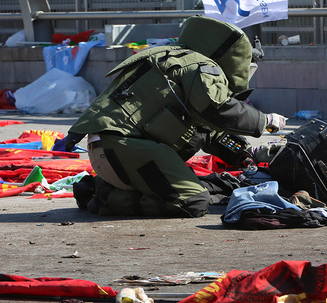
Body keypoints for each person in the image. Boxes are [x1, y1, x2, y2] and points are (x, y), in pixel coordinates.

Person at [55, 16, 287, 218]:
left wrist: (245, 154)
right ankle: (104, 197)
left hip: (109, 150)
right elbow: (216, 110)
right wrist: (264, 121)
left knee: (204, 175)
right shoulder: (201, 65)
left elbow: (204, 130)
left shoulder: (173, 58)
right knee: (193, 201)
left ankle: (97, 187)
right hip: (125, 149)